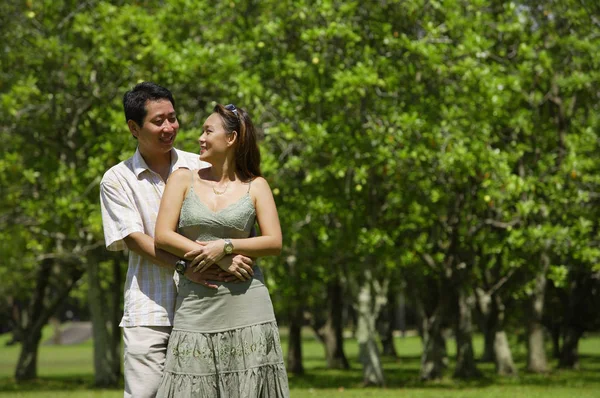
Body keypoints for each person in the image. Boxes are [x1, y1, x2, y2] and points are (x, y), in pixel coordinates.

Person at [100, 82, 253, 398]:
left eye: (172, 117)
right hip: (150, 310)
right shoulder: (117, 179)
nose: (170, 127)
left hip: (207, 303)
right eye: (158, 121)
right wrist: (188, 266)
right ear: (133, 127)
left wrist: (229, 251)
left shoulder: (201, 165)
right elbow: (135, 239)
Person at [154, 103, 289, 397]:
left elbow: (274, 242)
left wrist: (226, 247)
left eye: (207, 131)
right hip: (195, 304)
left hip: (248, 304)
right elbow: (162, 235)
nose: (200, 138)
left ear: (231, 139)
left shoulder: (257, 186)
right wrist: (219, 257)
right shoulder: (183, 178)